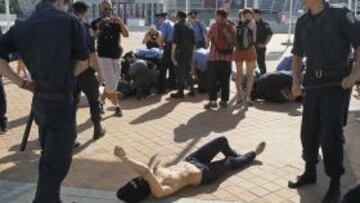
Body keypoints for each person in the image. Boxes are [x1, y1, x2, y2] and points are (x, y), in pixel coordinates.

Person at [0, 0, 89, 202]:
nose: (66, 7)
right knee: (57, 162)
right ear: (59, 2)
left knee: (49, 155)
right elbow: (83, 63)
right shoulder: (71, 21)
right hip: (61, 101)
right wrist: (67, 78)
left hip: (39, 101)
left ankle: (51, 198)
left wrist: (21, 83)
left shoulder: (21, 25)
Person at [288, 1, 360, 203]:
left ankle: (335, 182)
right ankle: (309, 171)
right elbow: (297, 54)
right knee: (308, 131)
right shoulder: (303, 21)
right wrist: (295, 81)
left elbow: (359, 43)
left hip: (337, 83)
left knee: (331, 134)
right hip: (312, 84)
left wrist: (355, 73)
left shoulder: (341, 14)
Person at [115, 136, 266, 202]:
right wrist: (124, 158)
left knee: (222, 141)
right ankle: (252, 154)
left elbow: (146, 170)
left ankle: (238, 156)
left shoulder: (149, 176)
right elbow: (146, 171)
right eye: (138, 181)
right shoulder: (159, 191)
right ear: (142, 190)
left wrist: (152, 163)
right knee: (230, 162)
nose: (138, 178)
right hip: (204, 174)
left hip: (193, 160)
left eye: (135, 179)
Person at [72, 1, 106, 143]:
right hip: (85, 71)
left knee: (71, 105)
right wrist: (100, 72)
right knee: (94, 100)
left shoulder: (66, 27)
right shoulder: (86, 28)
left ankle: (72, 137)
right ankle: (97, 129)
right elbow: (92, 53)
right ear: (85, 11)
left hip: (71, 71)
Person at [91, 0, 129, 117]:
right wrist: (100, 29)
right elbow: (92, 38)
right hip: (103, 55)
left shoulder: (116, 21)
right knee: (111, 82)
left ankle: (101, 102)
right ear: (101, 9)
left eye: (109, 9)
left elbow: (126, 35)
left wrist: (121, 23)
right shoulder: (96, 22)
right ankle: (117, 106)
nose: (107, 12)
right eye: (105, 9)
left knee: (113, 83)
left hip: (116, 55)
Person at [204, 9, 236, 109]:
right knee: (225, 81)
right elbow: (235, 42)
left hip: (215, 58)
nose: (215, 17)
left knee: (212, 80)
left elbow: (207, 39)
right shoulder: (231, 27)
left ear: (219, 16)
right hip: (227, 59)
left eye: (216, 15)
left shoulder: (215, 26)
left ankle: (213, 101)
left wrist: (207, 43)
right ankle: (224, 101)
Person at [234, 9, 257, 105]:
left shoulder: (237, 24)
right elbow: (254, 39)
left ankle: (239, 95)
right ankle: (248, 97)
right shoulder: (253, 23)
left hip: (238, 51)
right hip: (249, 50)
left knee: (239, 74)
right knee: (250, 75)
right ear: (251, 15)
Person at [171, 11, 196, 99]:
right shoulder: (190, 26)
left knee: (180, 72)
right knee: (187, 71)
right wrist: (192, 54)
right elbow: (194, 42)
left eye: (176, 15)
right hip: (188, 52)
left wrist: (172, 54)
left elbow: (175, 41)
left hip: (180, 52)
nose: (175, 17)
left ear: (178, 16)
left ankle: (180, 92)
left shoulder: (178, 26)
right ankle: (192, 89)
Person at [155, 12, 175, 93]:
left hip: (168, 46)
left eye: (158, 18)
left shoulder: (164, 23)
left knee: (163, 67)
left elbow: (163, 36)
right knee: (171, 67)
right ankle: (172, 85)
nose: (158, 20)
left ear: (161, 17)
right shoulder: (172, 23)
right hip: (174, 46)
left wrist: (160, 45)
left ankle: (161, 88)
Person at [253, 9, 273, 75]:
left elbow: (270, 34)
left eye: (254, 15)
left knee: (261, 63)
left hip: (260, 47)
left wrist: (264, 44)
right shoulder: (251, 24)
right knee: (251, 64)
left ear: (259, 15)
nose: (253, 16)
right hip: (251, 47)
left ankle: (263, 77)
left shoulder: (264, 24)